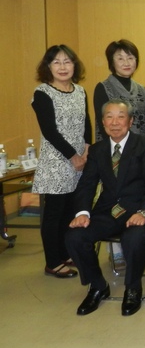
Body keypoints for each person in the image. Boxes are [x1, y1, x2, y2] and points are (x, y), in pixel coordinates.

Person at [66, 99, 145, 316]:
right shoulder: (98, 150)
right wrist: (82, 212)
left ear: (130, 121)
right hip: (107, 212)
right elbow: (87, 184)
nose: (115, 122)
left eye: (121, 116)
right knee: (75, 237)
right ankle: (98, 286)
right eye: (110, 116)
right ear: (102, 122)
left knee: (134, 238)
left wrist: (144, 212)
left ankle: (133, 288)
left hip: (139, 210)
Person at [31, 45, 91, 279]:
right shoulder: (43, 93)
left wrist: (86, 150)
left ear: (74, 65)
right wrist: (73, 156)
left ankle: (65, 253)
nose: (63, 67)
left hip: (79, 160)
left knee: (70, 210)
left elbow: (86, 122)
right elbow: (50, 131)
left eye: (67, 61)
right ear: (48, 67)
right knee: (54, 213)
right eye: (56, 62)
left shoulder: (80, 91)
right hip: (56, 162)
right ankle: (52, 262)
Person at [93, 39, 145, 142]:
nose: (126, 63)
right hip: (113, 151)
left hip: (140, 150)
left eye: (130, 58)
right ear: (112, 61)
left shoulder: (141, 89)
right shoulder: (103, 88)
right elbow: (103, 125)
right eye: (120, 59)